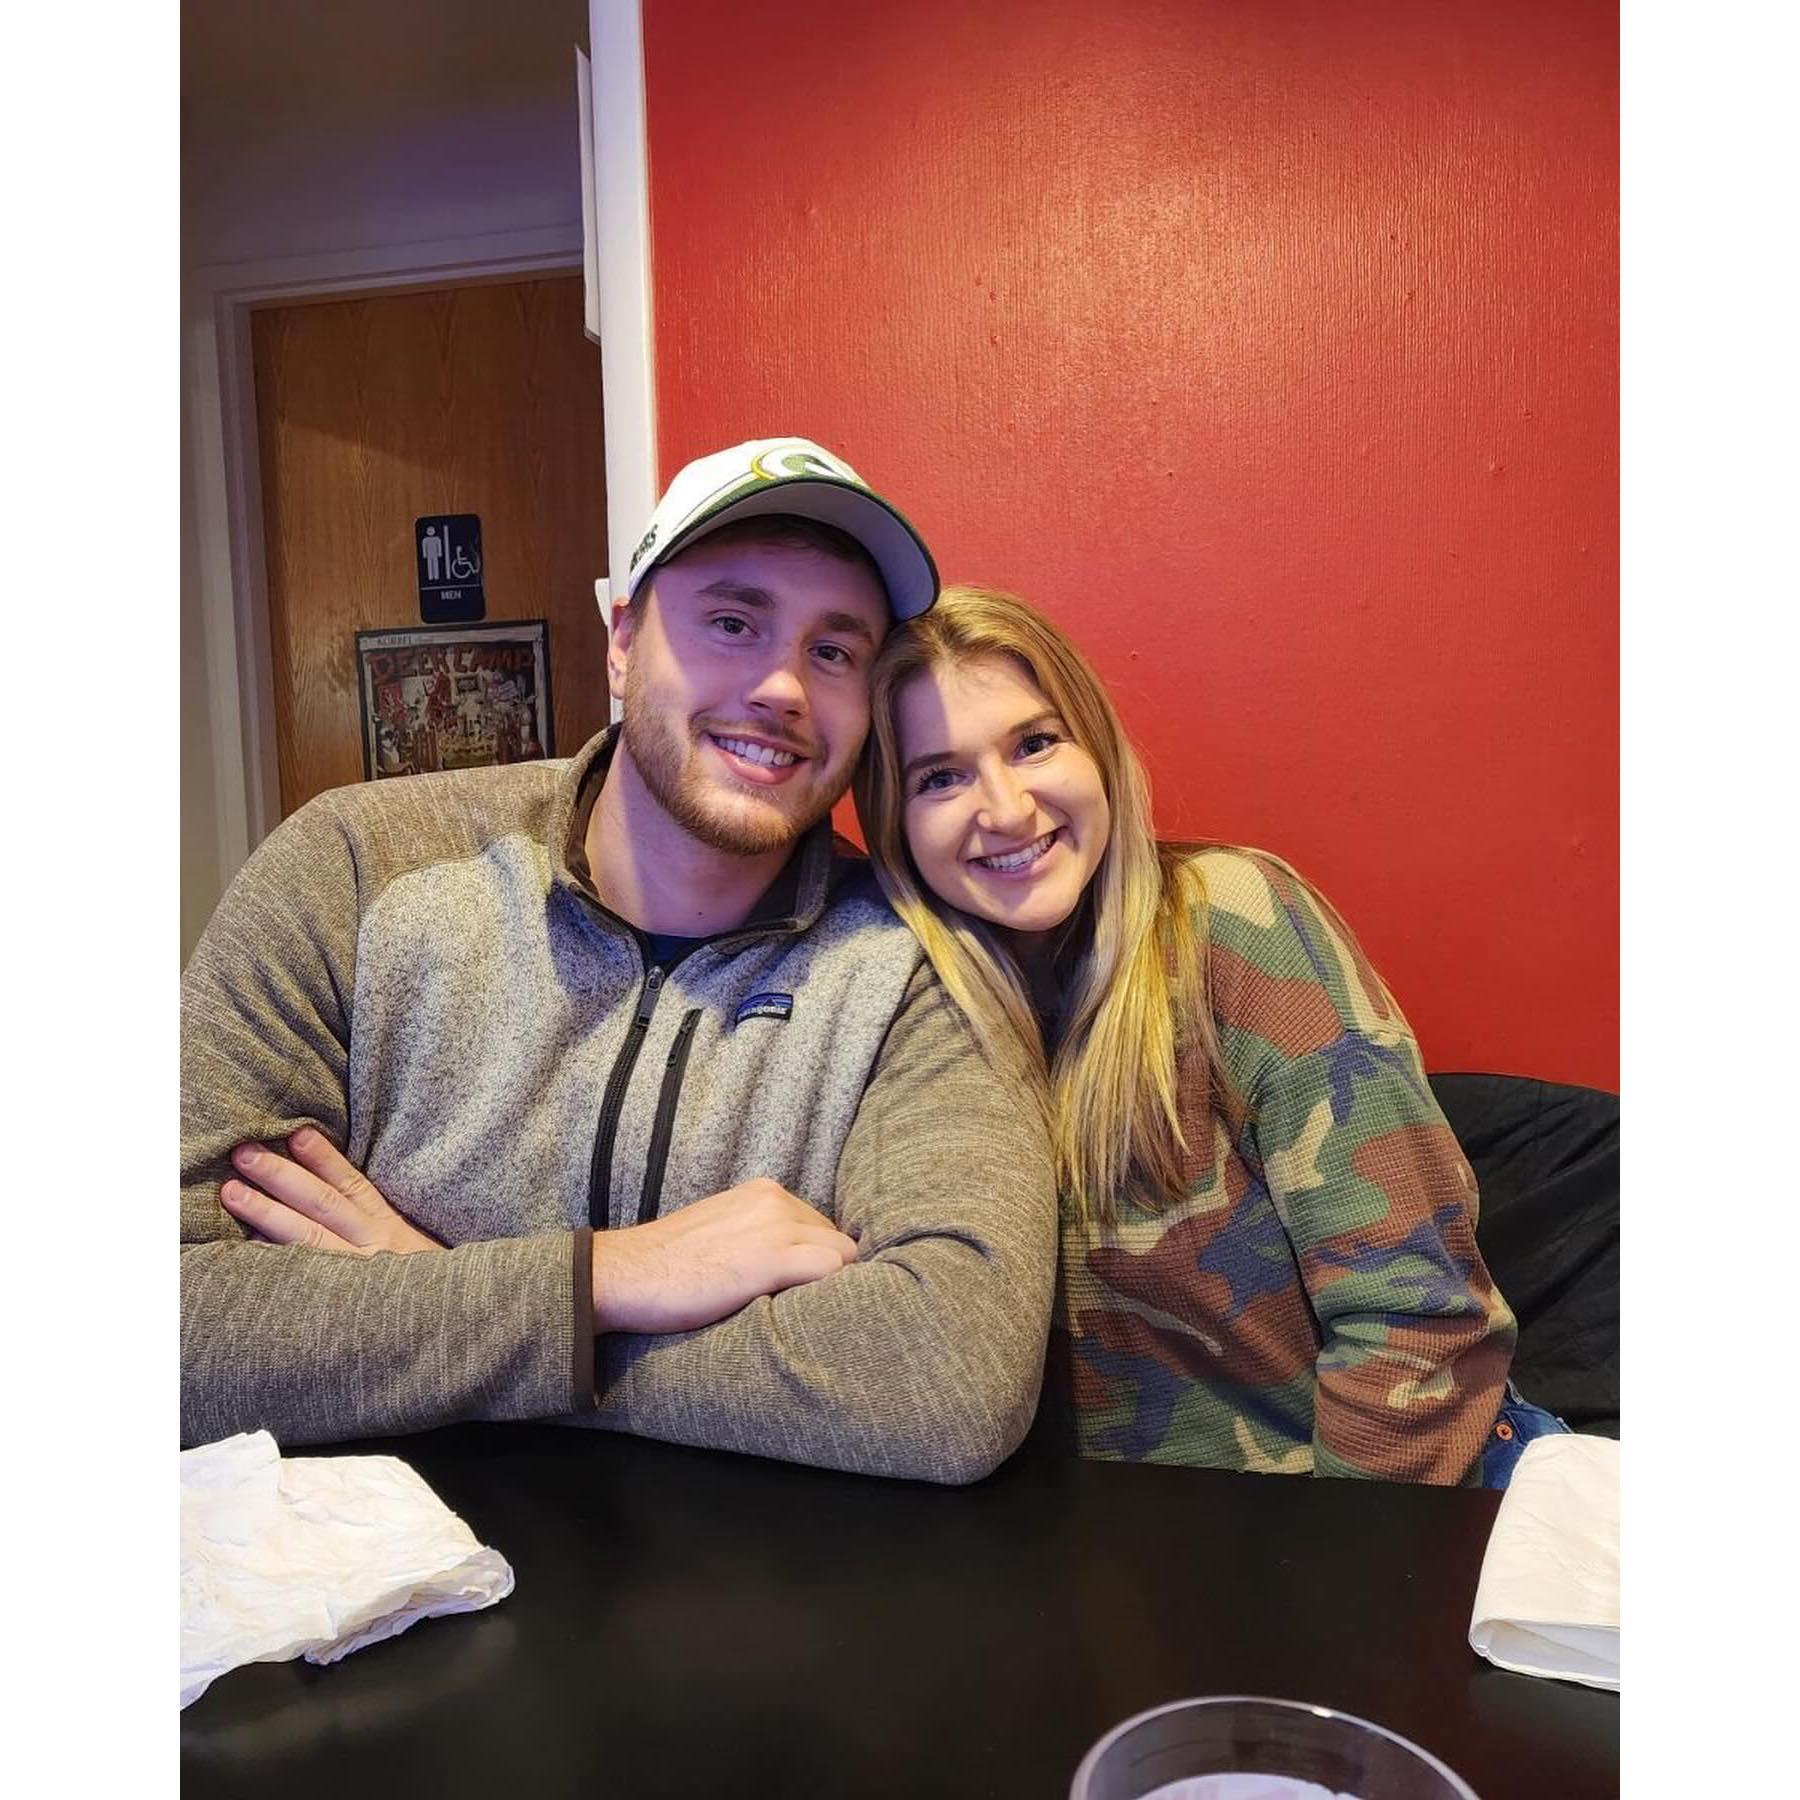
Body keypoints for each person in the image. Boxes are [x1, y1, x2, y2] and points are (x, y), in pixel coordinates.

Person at [181, 441, 1056, 1484]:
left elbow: (950, 1379)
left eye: (834, 652)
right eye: (731, 623)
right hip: (349, 1578)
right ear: (623, 640)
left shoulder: (914, 963)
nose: (783, 687)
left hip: (749, 1585)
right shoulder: (356, 868)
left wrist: (446, 1304)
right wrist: (608, 1279)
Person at [853, 585, 1519, 1484]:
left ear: (1097, 749)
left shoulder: (1232, 920)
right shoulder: (894, 998)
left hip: (1363, 1506)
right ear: (891, 821)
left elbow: (1419, 1316)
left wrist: (1337, 1561)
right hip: (1094, 1548)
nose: (1006, 810)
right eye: (940, 777)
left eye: (1034, 743)